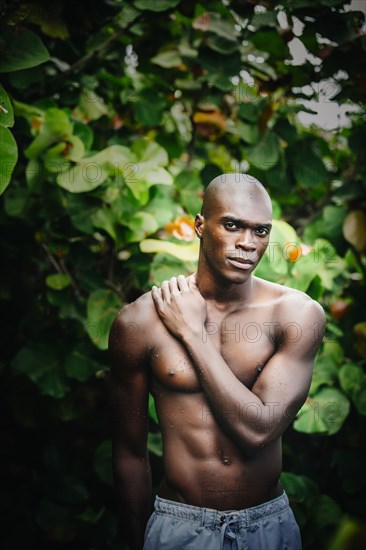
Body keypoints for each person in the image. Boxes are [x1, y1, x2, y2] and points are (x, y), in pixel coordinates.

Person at [108, 173, 325, 550]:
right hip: (180, 525)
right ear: (199, 226)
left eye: (260, 231)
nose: (247, 244)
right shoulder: (139, 323)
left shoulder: (296, 315)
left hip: (267, 525)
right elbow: (129, 453)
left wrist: (193, 333)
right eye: (232, 225)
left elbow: (258, 432)